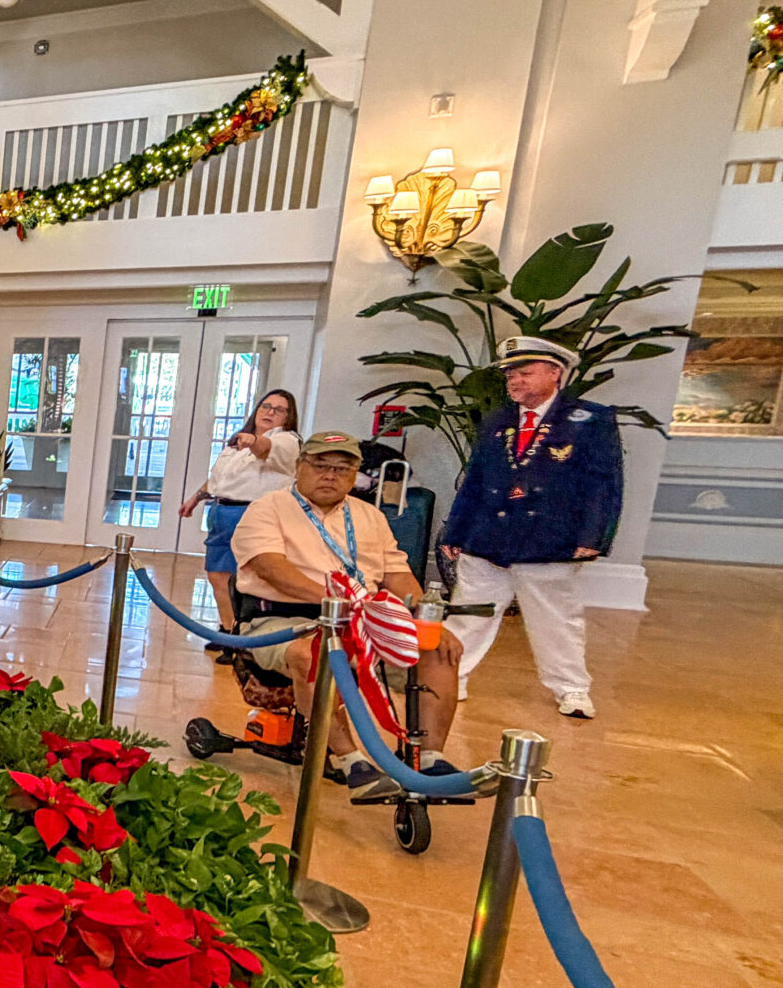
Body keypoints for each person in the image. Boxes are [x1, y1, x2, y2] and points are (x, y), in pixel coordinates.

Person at [230, 431, 462, 786]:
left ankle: (430, 759)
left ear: (355, 475)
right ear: (299, 466)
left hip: (364, 618)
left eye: (342, 469)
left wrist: (424, 617)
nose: (330, 475)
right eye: (320, 465)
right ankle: (351, 761)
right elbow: (271, 568)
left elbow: (397, 574)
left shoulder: (370, 516)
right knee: (313, 654)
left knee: (438, 649)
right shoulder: (267, 509)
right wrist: (341, 603)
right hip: (284, 619)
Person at [441, 333, 622, 720]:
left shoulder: (589, 420)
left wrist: (594, 537)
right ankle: (450, 678)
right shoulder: (497, 420)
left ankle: (571, 688)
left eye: (525, 372)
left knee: (556, 619)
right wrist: (455, 531)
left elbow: (604, 484)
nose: (515, 381)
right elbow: (475, 479)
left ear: (555, 373)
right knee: (468, 614)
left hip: (548, 539)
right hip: (487, 538)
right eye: (510, 375)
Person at [179, 388, 299, 648]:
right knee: (217, 575)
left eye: (279, 410)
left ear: (288, 417)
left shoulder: (286, 441)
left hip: (253, 515)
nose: (270, 412)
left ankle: (244, 637)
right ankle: (227, 630)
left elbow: (265, 448)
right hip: (222, 512)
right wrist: (195, 498)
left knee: (246, 580)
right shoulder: (239, 443)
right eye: (266, 406)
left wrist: (253, 441)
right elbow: (220, 479)